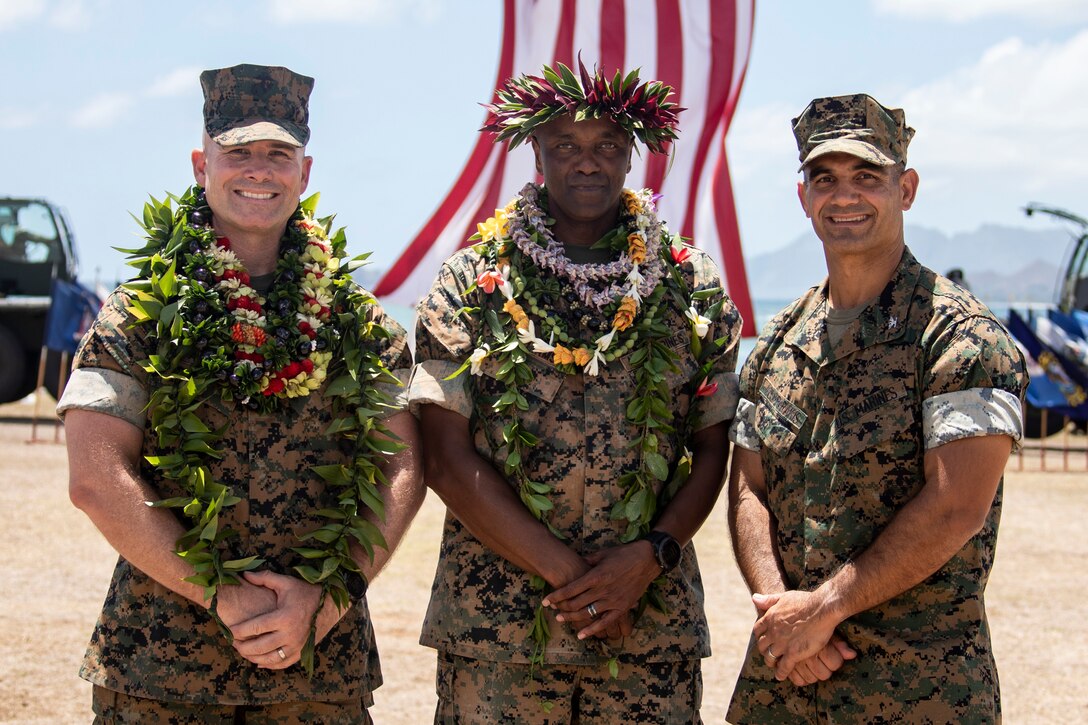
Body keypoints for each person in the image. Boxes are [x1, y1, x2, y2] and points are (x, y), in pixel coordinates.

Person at [58, 63, 423, 723]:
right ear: (202, 163)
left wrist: (329, 599)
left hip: (316, 674)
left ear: (304, 174)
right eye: (239, 152)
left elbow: (403, 466)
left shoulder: (361, 326)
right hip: (162, 673)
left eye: (279, 154)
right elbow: (94, 476)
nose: (259, 169)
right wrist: (220, 594)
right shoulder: (138, 314)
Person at [410, 59, 743, 723]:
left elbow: (712, 451)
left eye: (607, 147)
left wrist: (649, 560)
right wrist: (576, 579)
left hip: (647, 633)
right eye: (565, 145)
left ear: (631, 157)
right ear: (535, 150)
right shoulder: (469, 280)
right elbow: (445, 454)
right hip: (501, 635)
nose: (586, 163)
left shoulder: (690, 286)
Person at [725, 93, 1027, 723]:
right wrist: (780, 610)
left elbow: (956, 507)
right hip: (784, 686)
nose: (845, 196)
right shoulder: (777, 343)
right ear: (802, 195)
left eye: (868, 176)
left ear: (906, 188)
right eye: (825, 178)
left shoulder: (961, 339)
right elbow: (748, 489)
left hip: (918, 693)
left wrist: (825, 609)